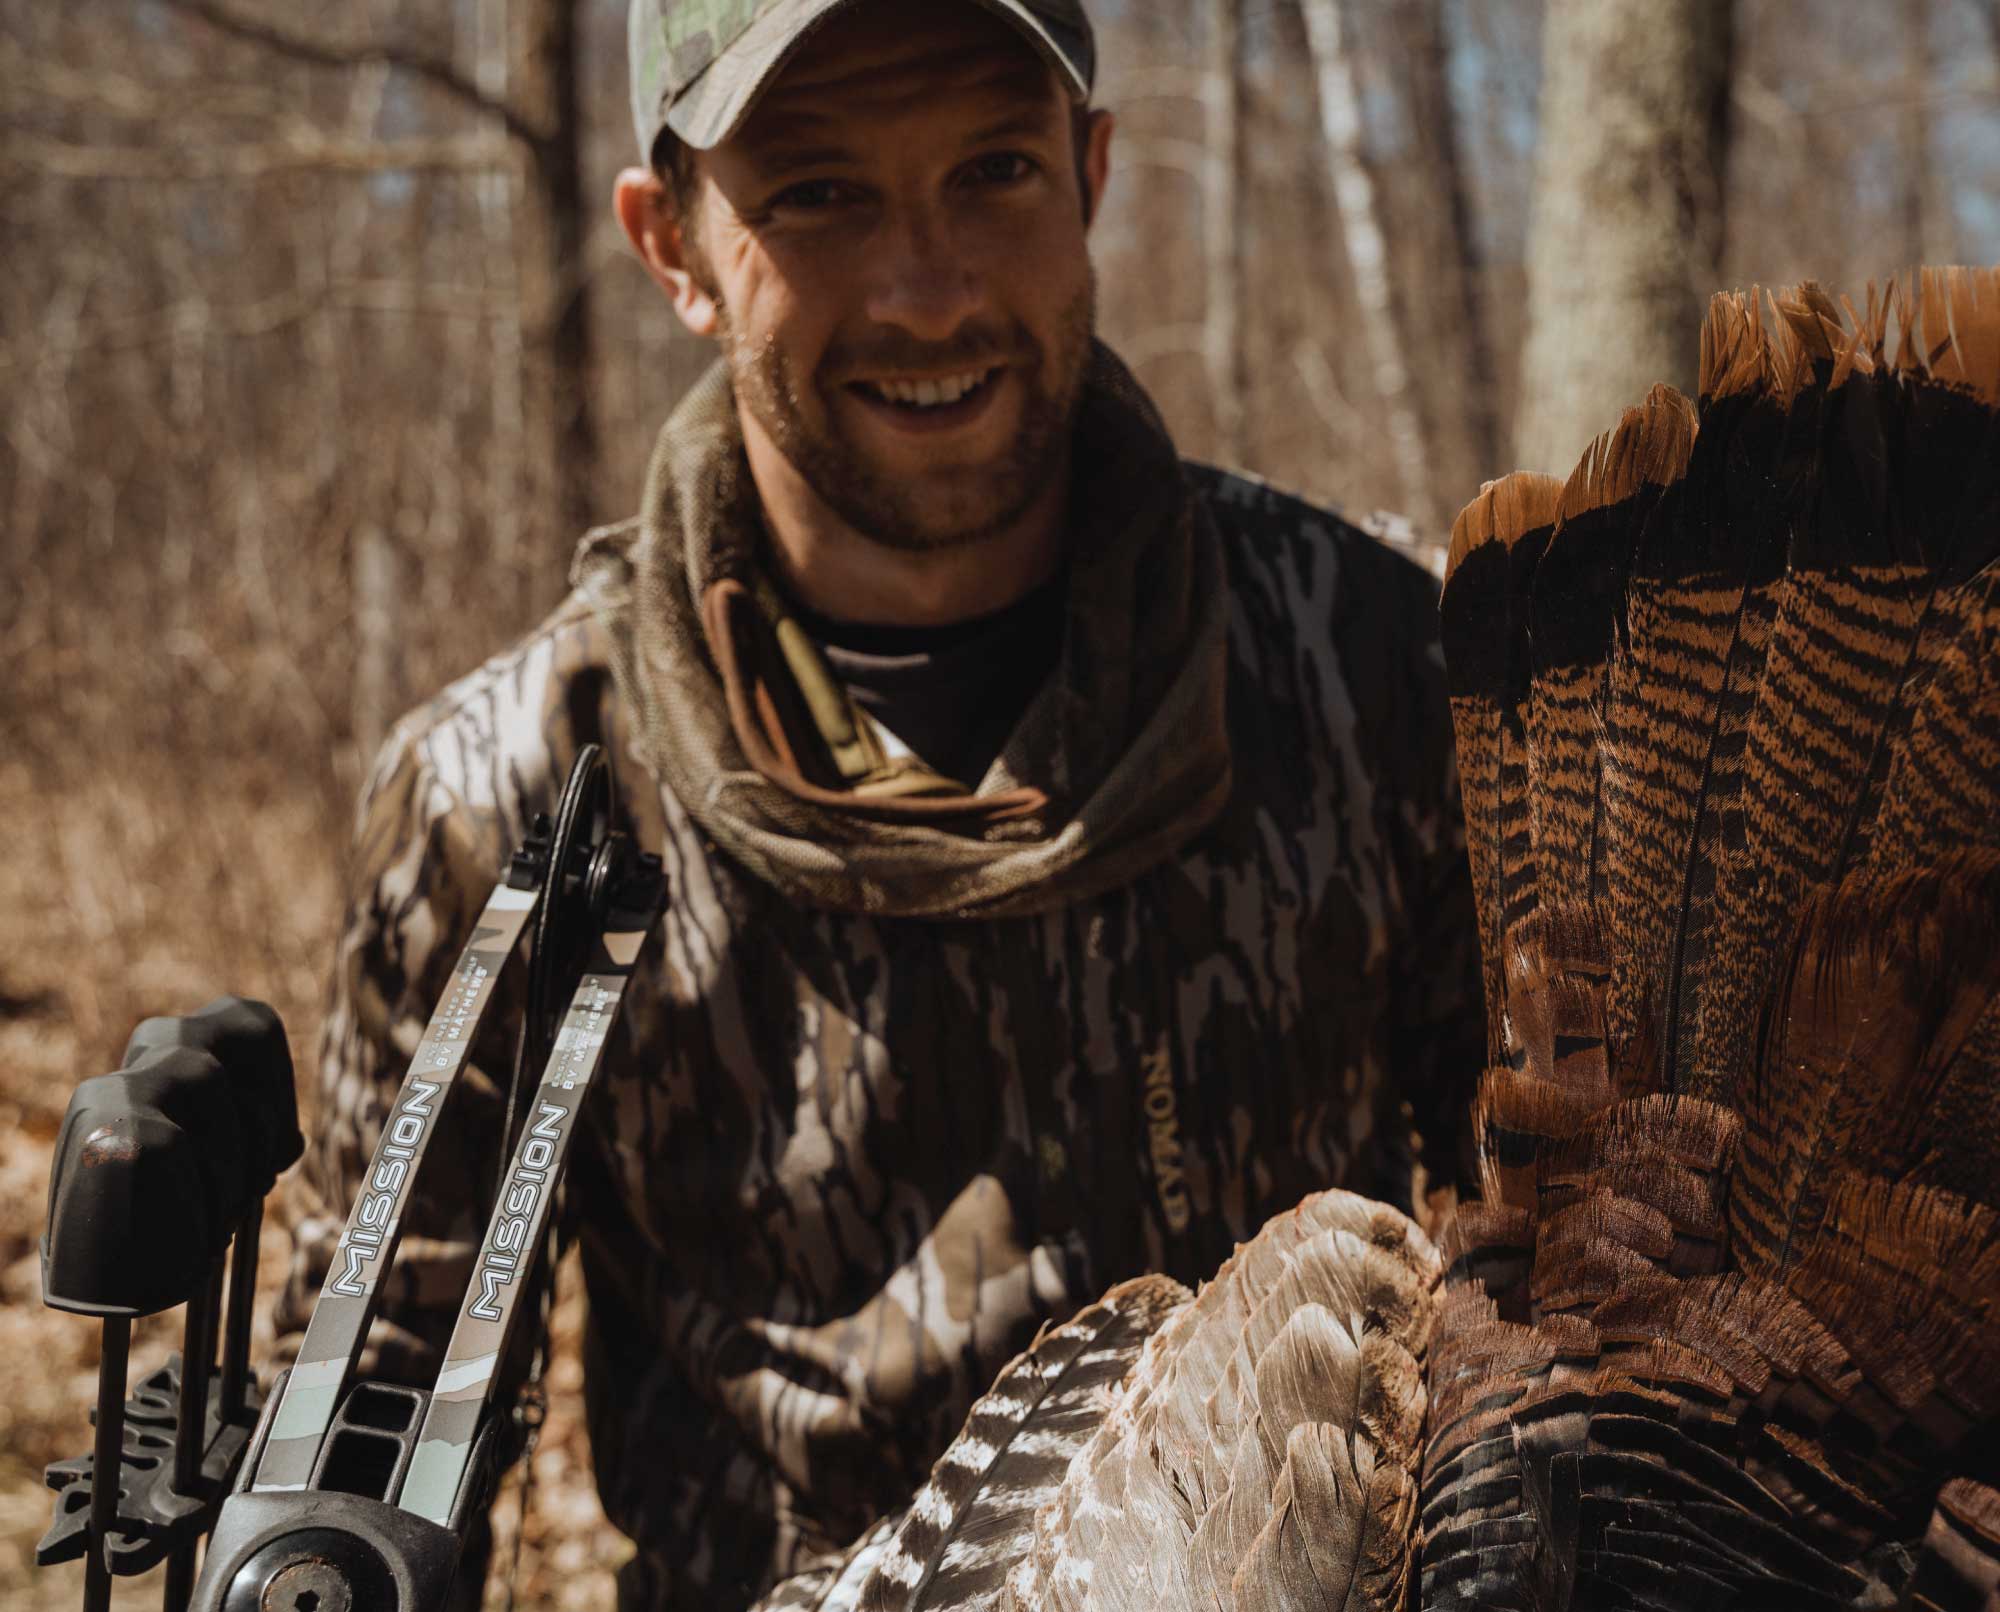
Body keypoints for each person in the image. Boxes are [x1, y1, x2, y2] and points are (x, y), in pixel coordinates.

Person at [275, 0, 1482, 1606]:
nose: (932, 291)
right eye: (821, 195)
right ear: (674, 247)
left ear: (1094, 175)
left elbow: (1571, 1268)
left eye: (993, 171)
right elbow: (362, 1438)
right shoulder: (517, 800)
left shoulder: (1376, 658)